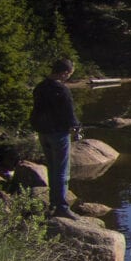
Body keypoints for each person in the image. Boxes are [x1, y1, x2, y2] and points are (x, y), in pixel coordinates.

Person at [30, 58, 82, 219]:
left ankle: (53, 204)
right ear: (64, 72)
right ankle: (61, 206)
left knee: (52, 168)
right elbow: (69, 114)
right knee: (61, 171)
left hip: (43, 133)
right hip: (58, 134)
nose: (69, 77)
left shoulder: (40, 87)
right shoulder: (62, 90)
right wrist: (76, 128)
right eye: (69, 74)